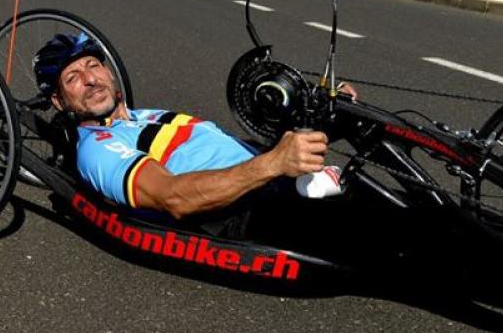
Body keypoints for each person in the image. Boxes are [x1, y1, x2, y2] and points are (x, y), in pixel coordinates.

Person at [32, 33, 344, 221]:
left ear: (108, 72)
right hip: (256, 209)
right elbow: (172, 198)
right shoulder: (97, 147)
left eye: (93, 66)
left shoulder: (149, 116)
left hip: (278, 179)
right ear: (59, 101)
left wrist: (320, 115)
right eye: (72, 78)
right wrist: (272, 164)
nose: (89, 79)